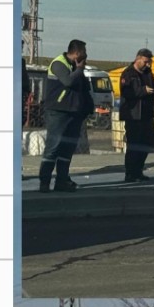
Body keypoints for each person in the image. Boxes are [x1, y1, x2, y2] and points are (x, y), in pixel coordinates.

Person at [38, 39, 94, 193]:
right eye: (84, 51)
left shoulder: (77, 68)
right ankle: (44, 181)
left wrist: (88, 107)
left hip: (74, 113)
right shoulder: (59, 63)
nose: (86, 55)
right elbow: (68, 81)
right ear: (76, 52)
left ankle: (62, 180)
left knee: (67, 148)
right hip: (58, 111)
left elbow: (84, 89)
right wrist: (79, 69)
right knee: (53, 146)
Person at [119, 48, 154, 182]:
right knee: (134, 145)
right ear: (138, 59)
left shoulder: (148, 73)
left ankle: (139, 171)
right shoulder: (128, 74)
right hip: (134, 115)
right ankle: (130, 173)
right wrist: (143, 90)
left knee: (146, 144)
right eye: (146, 62)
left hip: (147, 114)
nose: (148, 65)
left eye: (150, 62)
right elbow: (127, 93)